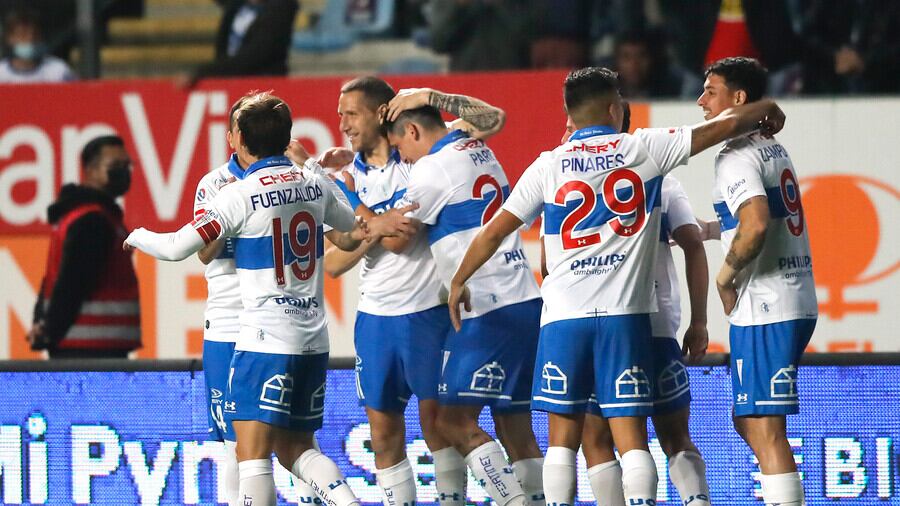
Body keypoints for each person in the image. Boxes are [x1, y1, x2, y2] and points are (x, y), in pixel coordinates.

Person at [446, 66, 787, 505]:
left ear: (570, 113)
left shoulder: (548, 165)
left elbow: (494, 231)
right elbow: (726, 125)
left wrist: (459, 279)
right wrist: (768, 107)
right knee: (631, 439)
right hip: (627, 319)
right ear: (614, 107)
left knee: (564, 440)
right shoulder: (643, 149)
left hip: (564, 319)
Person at [125, 92, 365, 506]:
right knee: (296, 448)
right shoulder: (310, 183)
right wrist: (312, 169)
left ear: (238, 138)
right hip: (312, 336)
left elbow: (179, 247)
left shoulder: (239, 194)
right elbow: (348, 222)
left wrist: (135, 235)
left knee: (249, 454)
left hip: (262, 336)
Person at [319, 78, 531, 506]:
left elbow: (495, 119)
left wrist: (361, 218)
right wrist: (374, 223)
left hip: (431, 314)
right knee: (383, 435)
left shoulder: (421, 164)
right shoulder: (349, 174)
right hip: (376, 318)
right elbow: (335, 263)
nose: (342, 124)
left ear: (383, 116)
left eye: (351, 114)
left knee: (441, 425)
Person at [383, 99, 544, 506]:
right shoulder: (475, 144)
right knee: (515, 427)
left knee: (449, 420)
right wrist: (434, 95)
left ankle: (514, 501)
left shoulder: (430, 169)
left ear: (414, 132)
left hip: (486, 308)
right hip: (525, 299)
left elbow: (399, 239)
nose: (401, 156)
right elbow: (496, 117)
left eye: (400, 145)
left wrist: (357, 208)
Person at [191, 94, 324, 506]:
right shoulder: (214, 185)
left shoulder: (294, 183)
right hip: (229, 324)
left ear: (241, 136)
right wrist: (233, 220)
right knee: (236, 443)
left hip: (274, 324)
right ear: (233, 138)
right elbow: (203, 251)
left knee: (288, 442)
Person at [697, 56, 817, 506]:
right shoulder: (771, 146)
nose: (700, 100)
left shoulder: (735, 156)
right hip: (791, 298)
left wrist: (724, 279)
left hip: (767, 304)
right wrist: (709, 230)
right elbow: (761, 216)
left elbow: (756, 225)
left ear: (739, 99)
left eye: (711, 91)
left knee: (765, 429)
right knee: (747, 420)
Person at [29, 135, 139, 358]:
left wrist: (44, 325)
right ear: (91, 170)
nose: (124, 172)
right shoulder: (94, 220)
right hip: (91, 352)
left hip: (83, 346)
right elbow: (73, 282)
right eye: (115, 166)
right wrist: (50, 330)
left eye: (127, 165)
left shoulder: (82, 214)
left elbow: (54, 279)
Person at [181, 0, 297, 87]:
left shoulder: (281, 7)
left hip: (263, 86)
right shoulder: (237, 5)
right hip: (229, 85)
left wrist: (205, 72)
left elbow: (254, 55)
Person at [0, 8, 75, 83]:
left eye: (35, 34)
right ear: (9, 38)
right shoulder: (1, 73)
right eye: (23, 35)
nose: (30, 39)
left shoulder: (59, 71)